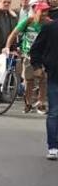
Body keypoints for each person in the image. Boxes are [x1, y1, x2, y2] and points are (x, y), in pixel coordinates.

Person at [4, 2, 51, 114]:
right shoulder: (28, 21)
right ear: (36, 11)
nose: (44, 14)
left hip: (43, 55)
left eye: (46, 11)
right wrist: (7, 47)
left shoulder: (48, 23)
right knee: (28, 81)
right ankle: (28, 103)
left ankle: (41, 103)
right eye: (42, 11)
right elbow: (14, 34)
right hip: (28, 54)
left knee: (43, 79)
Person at [29, 11, 58, 159]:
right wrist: (37, 66)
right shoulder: (50, 27)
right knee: (54, 112)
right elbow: (36, 49)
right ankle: (53, 146)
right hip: (55, 74)